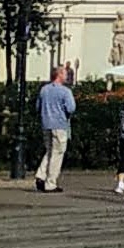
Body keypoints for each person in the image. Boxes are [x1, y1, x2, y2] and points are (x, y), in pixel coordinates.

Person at [35, 60, 77, 192]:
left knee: (49, 150)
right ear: (59, 75)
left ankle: (40, 175)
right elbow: (71, 108)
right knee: (57, 153)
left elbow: (37, 106)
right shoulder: (65, 91)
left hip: (46, 123)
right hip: (59, 124)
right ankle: (50, 183)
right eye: (65, 73)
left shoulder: (44, 89)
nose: (67, 76)